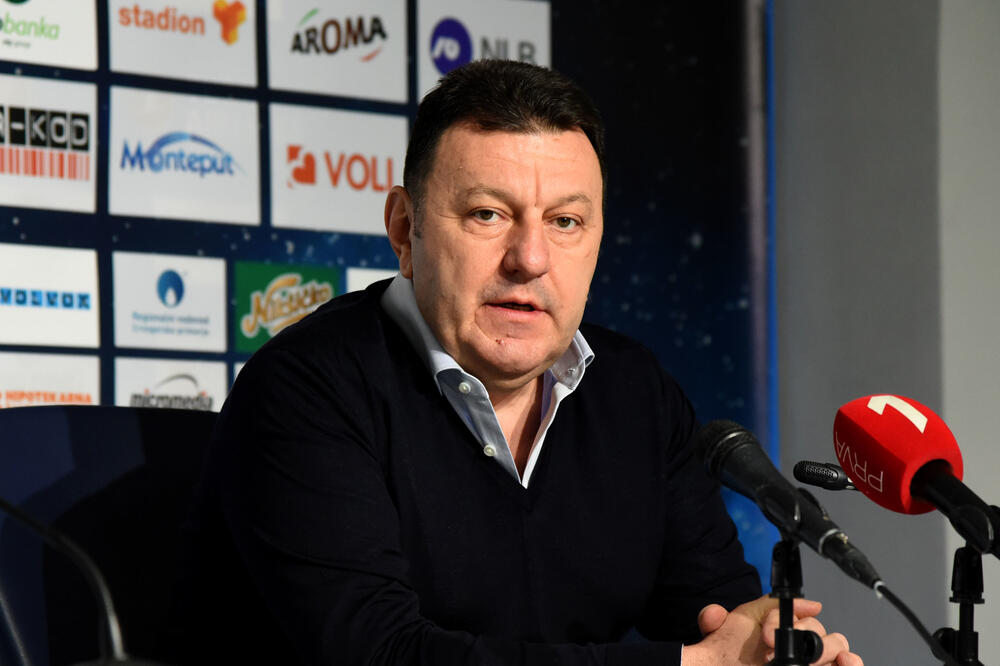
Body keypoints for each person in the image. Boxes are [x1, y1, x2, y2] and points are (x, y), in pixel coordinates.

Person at [174, 60, 862, 666]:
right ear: (405, 230)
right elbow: (380, 654)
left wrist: (768, 647)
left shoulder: (635, 393)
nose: (530, 259)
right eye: (487, 215)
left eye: (565, 222)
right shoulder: (305, 389)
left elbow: (714, 616)